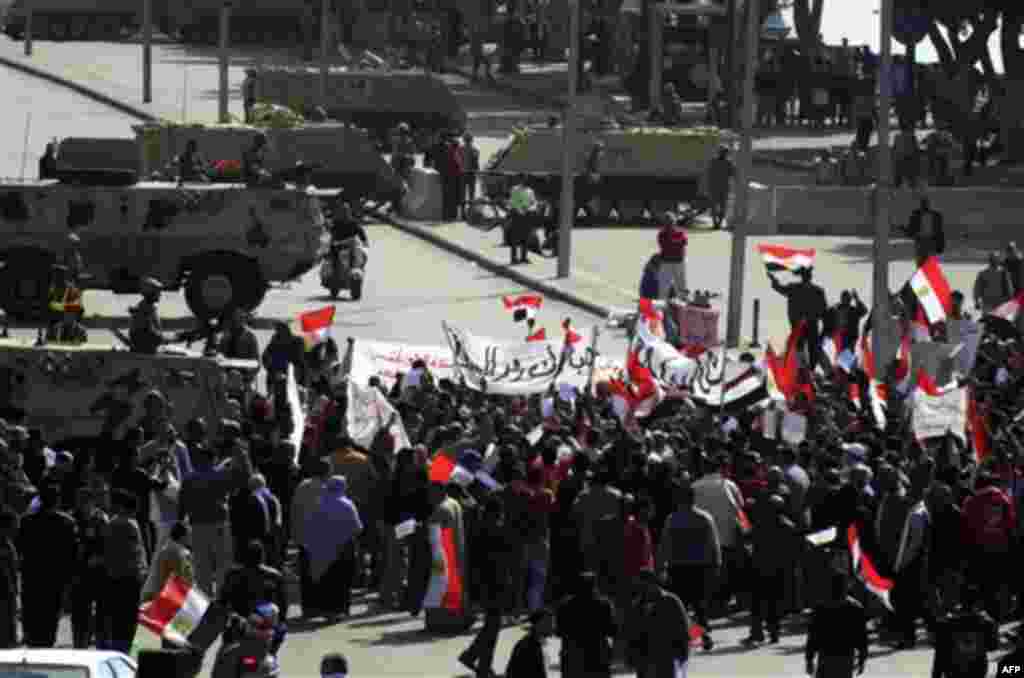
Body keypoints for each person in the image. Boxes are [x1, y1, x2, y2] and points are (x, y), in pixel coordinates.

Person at [658, 481, 719, 651]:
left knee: (682, 606)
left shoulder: (672, 519)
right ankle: (703, 635)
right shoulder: (704, 517)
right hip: (700, 568)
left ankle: (692, 636)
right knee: (700, 605)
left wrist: (660, 565)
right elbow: (713, 544)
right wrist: (716, 565)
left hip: (678, 568)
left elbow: (664, 544)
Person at [18, 484, 77, 648]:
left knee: (32, 617)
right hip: (55, 579)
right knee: (50, 620)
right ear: (57, 500)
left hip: (32, 577)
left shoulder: (26, 521)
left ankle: (32, 645)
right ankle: (45, 647)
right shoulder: (67, 522)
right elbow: (72, 554)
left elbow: (20, 547)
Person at [459, 497, 510, 678]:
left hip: (481, 584)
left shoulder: (477, 529)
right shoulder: (499, 529)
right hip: (495, 584)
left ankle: (476, 659)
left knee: (491, 625)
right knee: (492, 626)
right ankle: (478, 662)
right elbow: (505, 560)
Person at [302, 476, 362, 619]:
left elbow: (309, 526)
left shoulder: (317, 503)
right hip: (343, 548)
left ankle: (325, 609)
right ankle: (340, 610)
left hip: (321, 547)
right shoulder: (347, 504)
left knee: (326, 579)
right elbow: (357, 528)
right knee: (342, 580)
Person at [103, 488, 148, 654]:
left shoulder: (110, 523)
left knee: (116, 616)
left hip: (113, 576)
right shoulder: (130, 524)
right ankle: (126, 649)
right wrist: (143, 571)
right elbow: (138, 552)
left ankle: (117, 647)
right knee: (129, 617)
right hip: (130, 577)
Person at [629, 568, 691, 678]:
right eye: (639, 586)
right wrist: (631, 656)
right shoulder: (637, 606)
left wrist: (684, 652)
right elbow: (632, 634)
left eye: (644, 585)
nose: (642, 589)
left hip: (666, 658)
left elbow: (683, 628)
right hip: (645, 661)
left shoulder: (670, 601)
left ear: (652, 583)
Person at [805, 573, 868, 678]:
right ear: (846, 587)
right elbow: (862, 637)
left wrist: (809, 659)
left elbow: (813, 636)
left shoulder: (821, 607)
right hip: (845, 657)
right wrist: (862, 659)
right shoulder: (855, 608)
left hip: (826, 656)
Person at [556, 571, 617, 678]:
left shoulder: (565, 606)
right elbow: (612, 630)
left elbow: (559, 632)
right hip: (597, 657)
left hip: (573, 657)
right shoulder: (604, 605)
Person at [72, 486, 110, 649]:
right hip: (78, 571)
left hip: (98, 571)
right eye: (80, 500)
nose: (82, 504)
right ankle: (80, 643)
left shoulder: (100, 518)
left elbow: (108, 544)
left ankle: (100, 641)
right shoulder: (73, 517)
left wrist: (100, 558)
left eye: (86, 500)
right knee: (80, 610)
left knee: (101, 609)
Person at [769, 267, 829, 369]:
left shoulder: (795, 288)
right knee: (809, 347)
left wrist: (774, 280)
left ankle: (804, 368)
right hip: (808, 324)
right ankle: (808, 369)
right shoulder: (817, 290)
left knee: (802, 347)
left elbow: (779, 288)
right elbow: (824, 310)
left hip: (802, 324)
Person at [505, 607, 554, 678]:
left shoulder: (539, 643)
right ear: (538, 624)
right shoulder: (528, 646)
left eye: (552, 623)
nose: (551, 626)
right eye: (548, 622)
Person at [904, 197, 946, 264]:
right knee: (920, 261)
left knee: (930, 262)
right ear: (921, 205)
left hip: (932, 241)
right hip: (920, 240)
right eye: (923, 203)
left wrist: (941, 244)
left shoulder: (936, 215)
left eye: (926, 203)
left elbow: (940, 231)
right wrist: (908, 232)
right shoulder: (916, 214)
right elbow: (911, 227)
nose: (925, 205)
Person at [507, 175, 538, 265]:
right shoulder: (515, 189)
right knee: (515, 237)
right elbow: (513, 202)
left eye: (526, 179)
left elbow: (534, 202)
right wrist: (520, 210)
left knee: (526, 236)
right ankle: (514, 258)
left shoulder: (530, 191)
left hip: (527, 215)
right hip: (517, 214)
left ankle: (524, 257)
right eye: (523, 179)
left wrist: (530, 208)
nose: (524, 181)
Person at [656, 213, 687, 299]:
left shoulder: (662, 234)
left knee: (665, 288)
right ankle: (680, 303)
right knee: (678, 287)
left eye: (670, 222)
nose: (670, 224)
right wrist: (677, 242)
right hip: (674, 262)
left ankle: (663, 306)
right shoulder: (680, 233)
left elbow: (680, 243)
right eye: (669, 222)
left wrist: (673, 242)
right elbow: (682, 242)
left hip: (669, 262)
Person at [0, 510, 19, 649]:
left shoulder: (8, 543)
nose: (16, 529)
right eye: (14, 525)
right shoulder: (3, 546)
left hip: (9, 593)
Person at [708, 146, 735, 229]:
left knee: (715, 207)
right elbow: (733, 174)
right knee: (721, 207)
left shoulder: (713, 162)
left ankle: (716, 223)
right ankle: (717, 223)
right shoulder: (728, 163)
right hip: (723, 188)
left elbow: (709, 174)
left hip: (715, 187)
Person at [463, 133, 481, 204]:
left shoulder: (459, 149)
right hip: (471, 173)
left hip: (462, 173)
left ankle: (462, 210)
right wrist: (478, 172)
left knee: (462, 193)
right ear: (471, 140)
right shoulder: (475, 150)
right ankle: (471, 207)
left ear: (464, 140)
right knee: (471, 193)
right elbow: (476, 163)